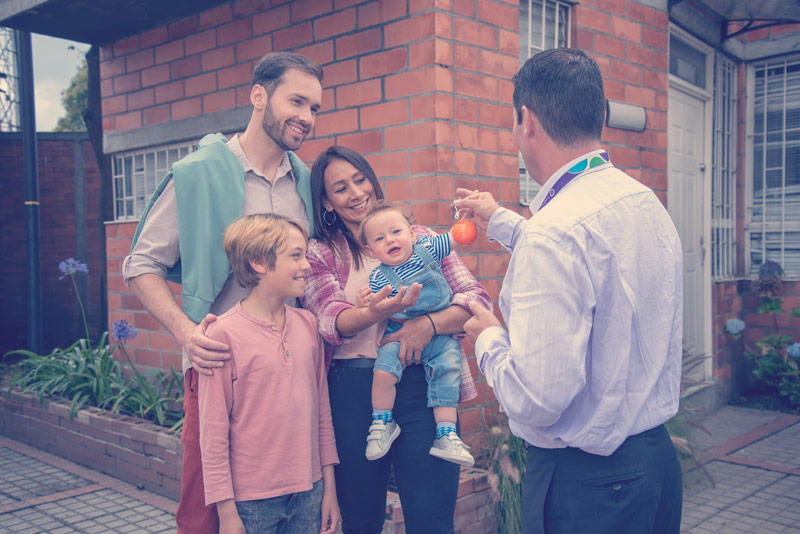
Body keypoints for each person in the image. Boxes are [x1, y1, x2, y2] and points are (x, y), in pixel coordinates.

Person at [455, 48, 684, 534]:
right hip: (655, 465)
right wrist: (501, 221)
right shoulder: (643, 201)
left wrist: (489, 337)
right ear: (598, 114)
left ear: (526, 120)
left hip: (588, 486)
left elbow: (539, 400)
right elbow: (596, 263)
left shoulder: (555, 233)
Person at [123, 51, 323, 534]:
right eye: (296, 101)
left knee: (291, 502)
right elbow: (140, 264)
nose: (307, 117)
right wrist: (187, 334)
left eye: (315, 107)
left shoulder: (307, 182)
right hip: (218, 369)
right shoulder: (197, 172)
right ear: (259, 96)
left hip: (290, 371)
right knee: (206, 510)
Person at [301, 146, 491, 534]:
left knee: (432, 517)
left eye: (359, 179)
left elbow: (474, 299)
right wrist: (376, 312)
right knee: (361, 518)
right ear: (326, 202)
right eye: (340, 188)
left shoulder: (417, 237)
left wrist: (430, 326)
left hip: (424, 384)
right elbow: (330, 320)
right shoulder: (320, 251)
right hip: (354, 392)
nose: (355, 193)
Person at [199, 214, 339, 534]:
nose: (307, 265)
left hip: (309, 492)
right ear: (259, 262)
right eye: (296, 255)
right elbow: (213, 433)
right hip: (251, 502)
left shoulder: (308, 324)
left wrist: (328, 489)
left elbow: (322, 414)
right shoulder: (222, 335)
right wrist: (226, 512)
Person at [356, 201, 475, 467]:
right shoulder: (378, 277)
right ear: (370, 250)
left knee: (448, 374)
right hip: (399, 331)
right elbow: (376, 307)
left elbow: (455, 237)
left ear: (412, 234)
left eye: (396, 232)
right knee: (383, 371)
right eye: (379, 238)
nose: (390, 240)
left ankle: (446, 434)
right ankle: (382, 421)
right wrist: (366, 303)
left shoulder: (429, 249)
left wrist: (466, 224)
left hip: (440, 332)